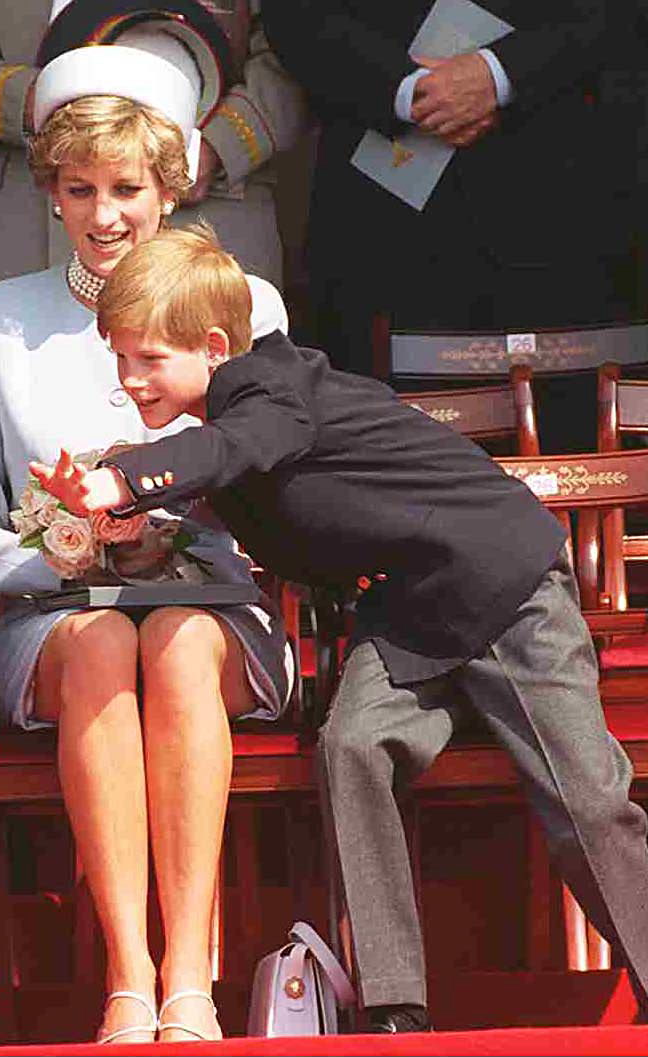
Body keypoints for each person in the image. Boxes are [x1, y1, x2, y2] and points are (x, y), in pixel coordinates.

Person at [35, 226, 648, 1035]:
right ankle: (397, 1007)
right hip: (405, 613)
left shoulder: (271, 387)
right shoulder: (223, 426)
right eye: (119, 359)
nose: (128, 380)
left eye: (147, 359)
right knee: (352, 746)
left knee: (583, 793)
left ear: (215, 347)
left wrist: (125, 478)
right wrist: (125, 524)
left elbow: (236, 446)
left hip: (501, 586)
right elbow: (222, 483)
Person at [0, 5, 293, 1043]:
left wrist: (171, 532)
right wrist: (65, 548)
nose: (104, 215)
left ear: (170, 187)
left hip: (211, 602)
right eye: (77, 190)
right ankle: (128, 977)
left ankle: (191, 975)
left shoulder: (247, 301)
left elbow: (279, 484)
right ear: (46, 192)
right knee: (100, 642)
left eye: (127, 189)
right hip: (53, 613)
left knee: (173, 643)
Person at [263, 0, 631, 451]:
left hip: (571, 201)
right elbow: (296, 16)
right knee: (390, 462)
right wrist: (410, 91)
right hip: (388, 207)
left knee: (576, 454)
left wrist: (502, 75)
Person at [0, 0, 307, 289]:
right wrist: (60, 103)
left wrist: (216, 148)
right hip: (30, 205)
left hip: (210, 199)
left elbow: (296, 53)